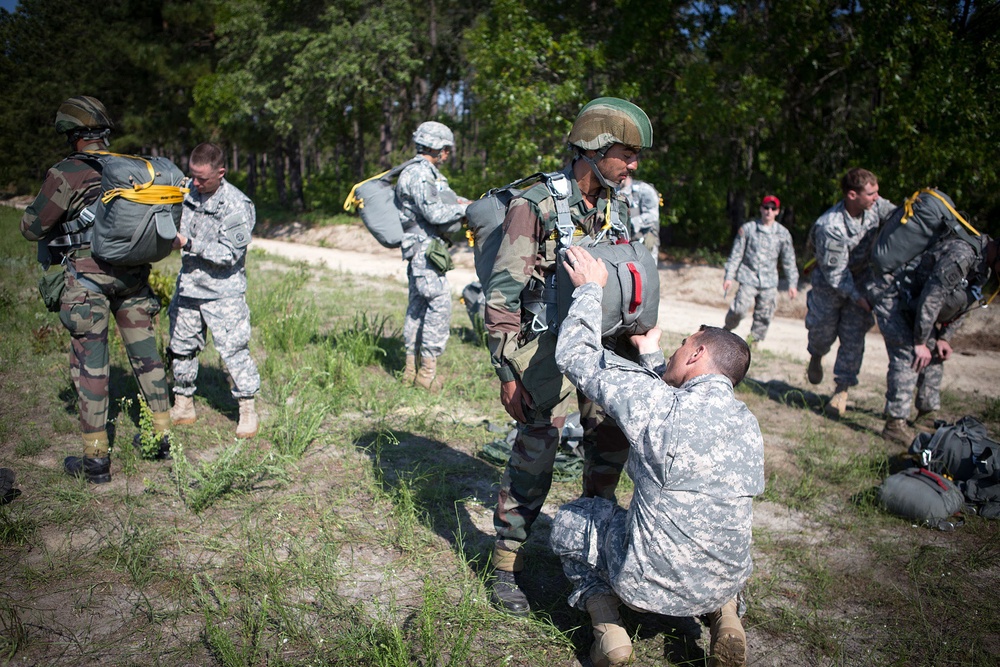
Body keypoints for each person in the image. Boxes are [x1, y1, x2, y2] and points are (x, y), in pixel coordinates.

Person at [550, 245, 764, 667]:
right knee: (722, 537)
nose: (677, 351)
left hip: (645, 585)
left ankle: (609, 628)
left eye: (684, 346)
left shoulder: (658, 406)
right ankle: (727, 617)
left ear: (698, 354)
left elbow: (575, 356)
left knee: (573, 521)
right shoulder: (748, 424)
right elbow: (667, 399)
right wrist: (651, 353)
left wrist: (590, 290)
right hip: (722, 580)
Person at [483, 97, 653, 616]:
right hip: (545, 346)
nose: (634, 165)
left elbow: (627, 275)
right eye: (627, 153)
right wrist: (508, 373)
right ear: (595, 149)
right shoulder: (533, 204)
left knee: (610, 440)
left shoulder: (618, 204)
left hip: (601, 342)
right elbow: (501, 296)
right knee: (539, 445)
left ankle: (592, 538)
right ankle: (505, 562)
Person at [20, 96, 172, 482]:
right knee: (147, 357)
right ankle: (162, 439)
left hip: (87, 281)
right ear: (103, 132)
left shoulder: (67, 172)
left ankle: (96, 462)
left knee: (91, 366)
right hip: (133, 275)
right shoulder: (134, 167)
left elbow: (31, 228)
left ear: (72, 135)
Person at [167, 143, 260, 438]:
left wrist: (189, 244)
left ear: (221, 172)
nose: (195, 183)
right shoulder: (189, 194)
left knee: (233, 352)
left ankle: (247, 410)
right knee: (181, 348)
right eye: (192, 175)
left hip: (223, 292)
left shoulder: (236, 204)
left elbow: (230, 254)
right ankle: (183, 404)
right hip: (190, 288)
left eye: (202, 178)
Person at [874, 234, 998, 445]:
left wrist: (944, 337)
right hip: (896, 299)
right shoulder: (962, 255)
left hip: (918, 307)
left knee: (934, 355)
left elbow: (964, 303)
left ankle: (926, 414)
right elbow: (933, 297)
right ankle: (895, 424)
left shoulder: (983, 267)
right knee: (909, 355)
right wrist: (921, 341)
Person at [806, 168, 896, 417]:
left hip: (863, 278)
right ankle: (816, 354)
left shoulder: (875, 207)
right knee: (821, 332)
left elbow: (899, 216)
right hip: (830, 284)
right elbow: (836, 273)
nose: (878, 197)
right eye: (872, 193)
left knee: (854, 337)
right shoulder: (830, 226)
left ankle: (841, 390)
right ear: (852, 195)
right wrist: (856, 295)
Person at [395, 121, 470, 391]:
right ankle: (427, 374)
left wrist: (464, 202)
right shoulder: (418, 174)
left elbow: (443, 200)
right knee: (438, 306)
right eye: (445, 149)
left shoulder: (424, 172)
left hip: (422, 250)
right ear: (435, 147)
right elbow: (435, 213)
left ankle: (411, 370)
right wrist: (468, 211)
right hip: (424, 251)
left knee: (417, 309)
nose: (448, 154)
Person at [722, 194, 798, 344]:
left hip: (769, 282)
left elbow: (789, 260)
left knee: (764, 315)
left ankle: (752, 342)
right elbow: (736, 254)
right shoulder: (748, 229)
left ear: (777, 211)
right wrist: (729, 276)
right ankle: (725, 333)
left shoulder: (783, 233)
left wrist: (792, 283)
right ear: (761, 209)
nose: (769, 211)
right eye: (766, 207)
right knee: (739, 309)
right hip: (748, 277)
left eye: (773, 208)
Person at [619, 174, 661, 256]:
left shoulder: (644, 189)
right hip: (625, 243)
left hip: (644, 240)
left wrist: (629, 223)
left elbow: (652, 216)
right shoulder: (614, 191)